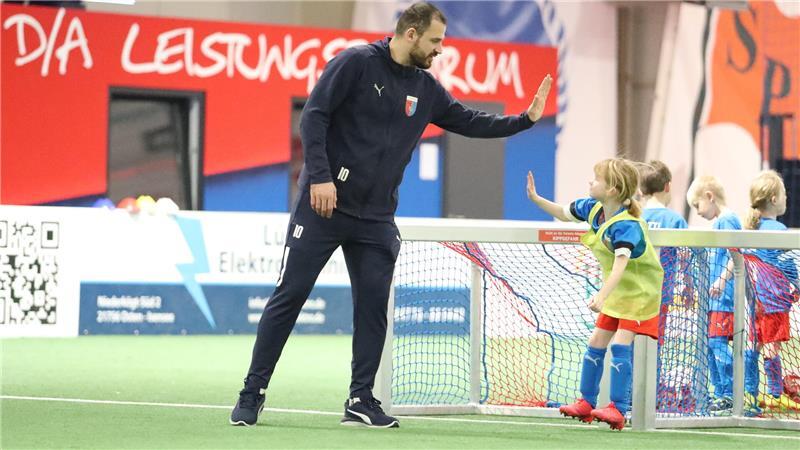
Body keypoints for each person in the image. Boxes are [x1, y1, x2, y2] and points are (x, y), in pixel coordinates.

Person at [230, 1, 553, 428]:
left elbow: (469, 121)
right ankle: (252, 393)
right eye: (436, 40)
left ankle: (360, 400)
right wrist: (320, 179)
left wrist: (525, 120)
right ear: (412, 33)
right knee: (289, 297)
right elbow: (314, 118)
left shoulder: (427, 88)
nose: (440, 49)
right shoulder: (355, 63)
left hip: (377, 217)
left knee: (372, 309)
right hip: (323, 205)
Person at [527, 158, 664, 431]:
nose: (591, 182)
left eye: (597, 179)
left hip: (640, 295)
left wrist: (601, 297)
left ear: (612, 189)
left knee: (620, 345)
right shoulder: (593, 208)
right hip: (617, 293)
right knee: (596, 342)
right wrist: (535, 198)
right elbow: (563, 211)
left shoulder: (627, 226)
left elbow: (620, 266)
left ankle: (617, 408)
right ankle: (586, 402)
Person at [742, 170, 800, 412]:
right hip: (775, 301)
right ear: (775, 200)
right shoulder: (778, 230)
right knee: (771, 347)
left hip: (756, 300)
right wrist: (797, 287)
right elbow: (786, 263)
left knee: (753, 345)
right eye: (784, 195)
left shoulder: (751, 229)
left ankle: (749, 393)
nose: (787, 199)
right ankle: (776, 394)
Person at [685, 175, 741, 414]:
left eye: (697, 206)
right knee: (710, 345)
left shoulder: (728, 221)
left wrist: (722, 279)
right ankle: (720, 394)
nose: (697, 212)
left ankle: (729, 394)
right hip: (714, 298)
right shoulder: (719, 223)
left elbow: (736, 253)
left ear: (709, 196)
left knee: (717, 344)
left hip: (724, 299)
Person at [638, 161, 688, 412]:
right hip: (660, 293)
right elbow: (686, 256)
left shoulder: (635, 215)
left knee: (629, 341)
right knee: (654, 342)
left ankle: (627, 392)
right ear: (668, 186)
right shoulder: (674, 219)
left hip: (632, 293)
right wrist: (688, 287)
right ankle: (652, 396)